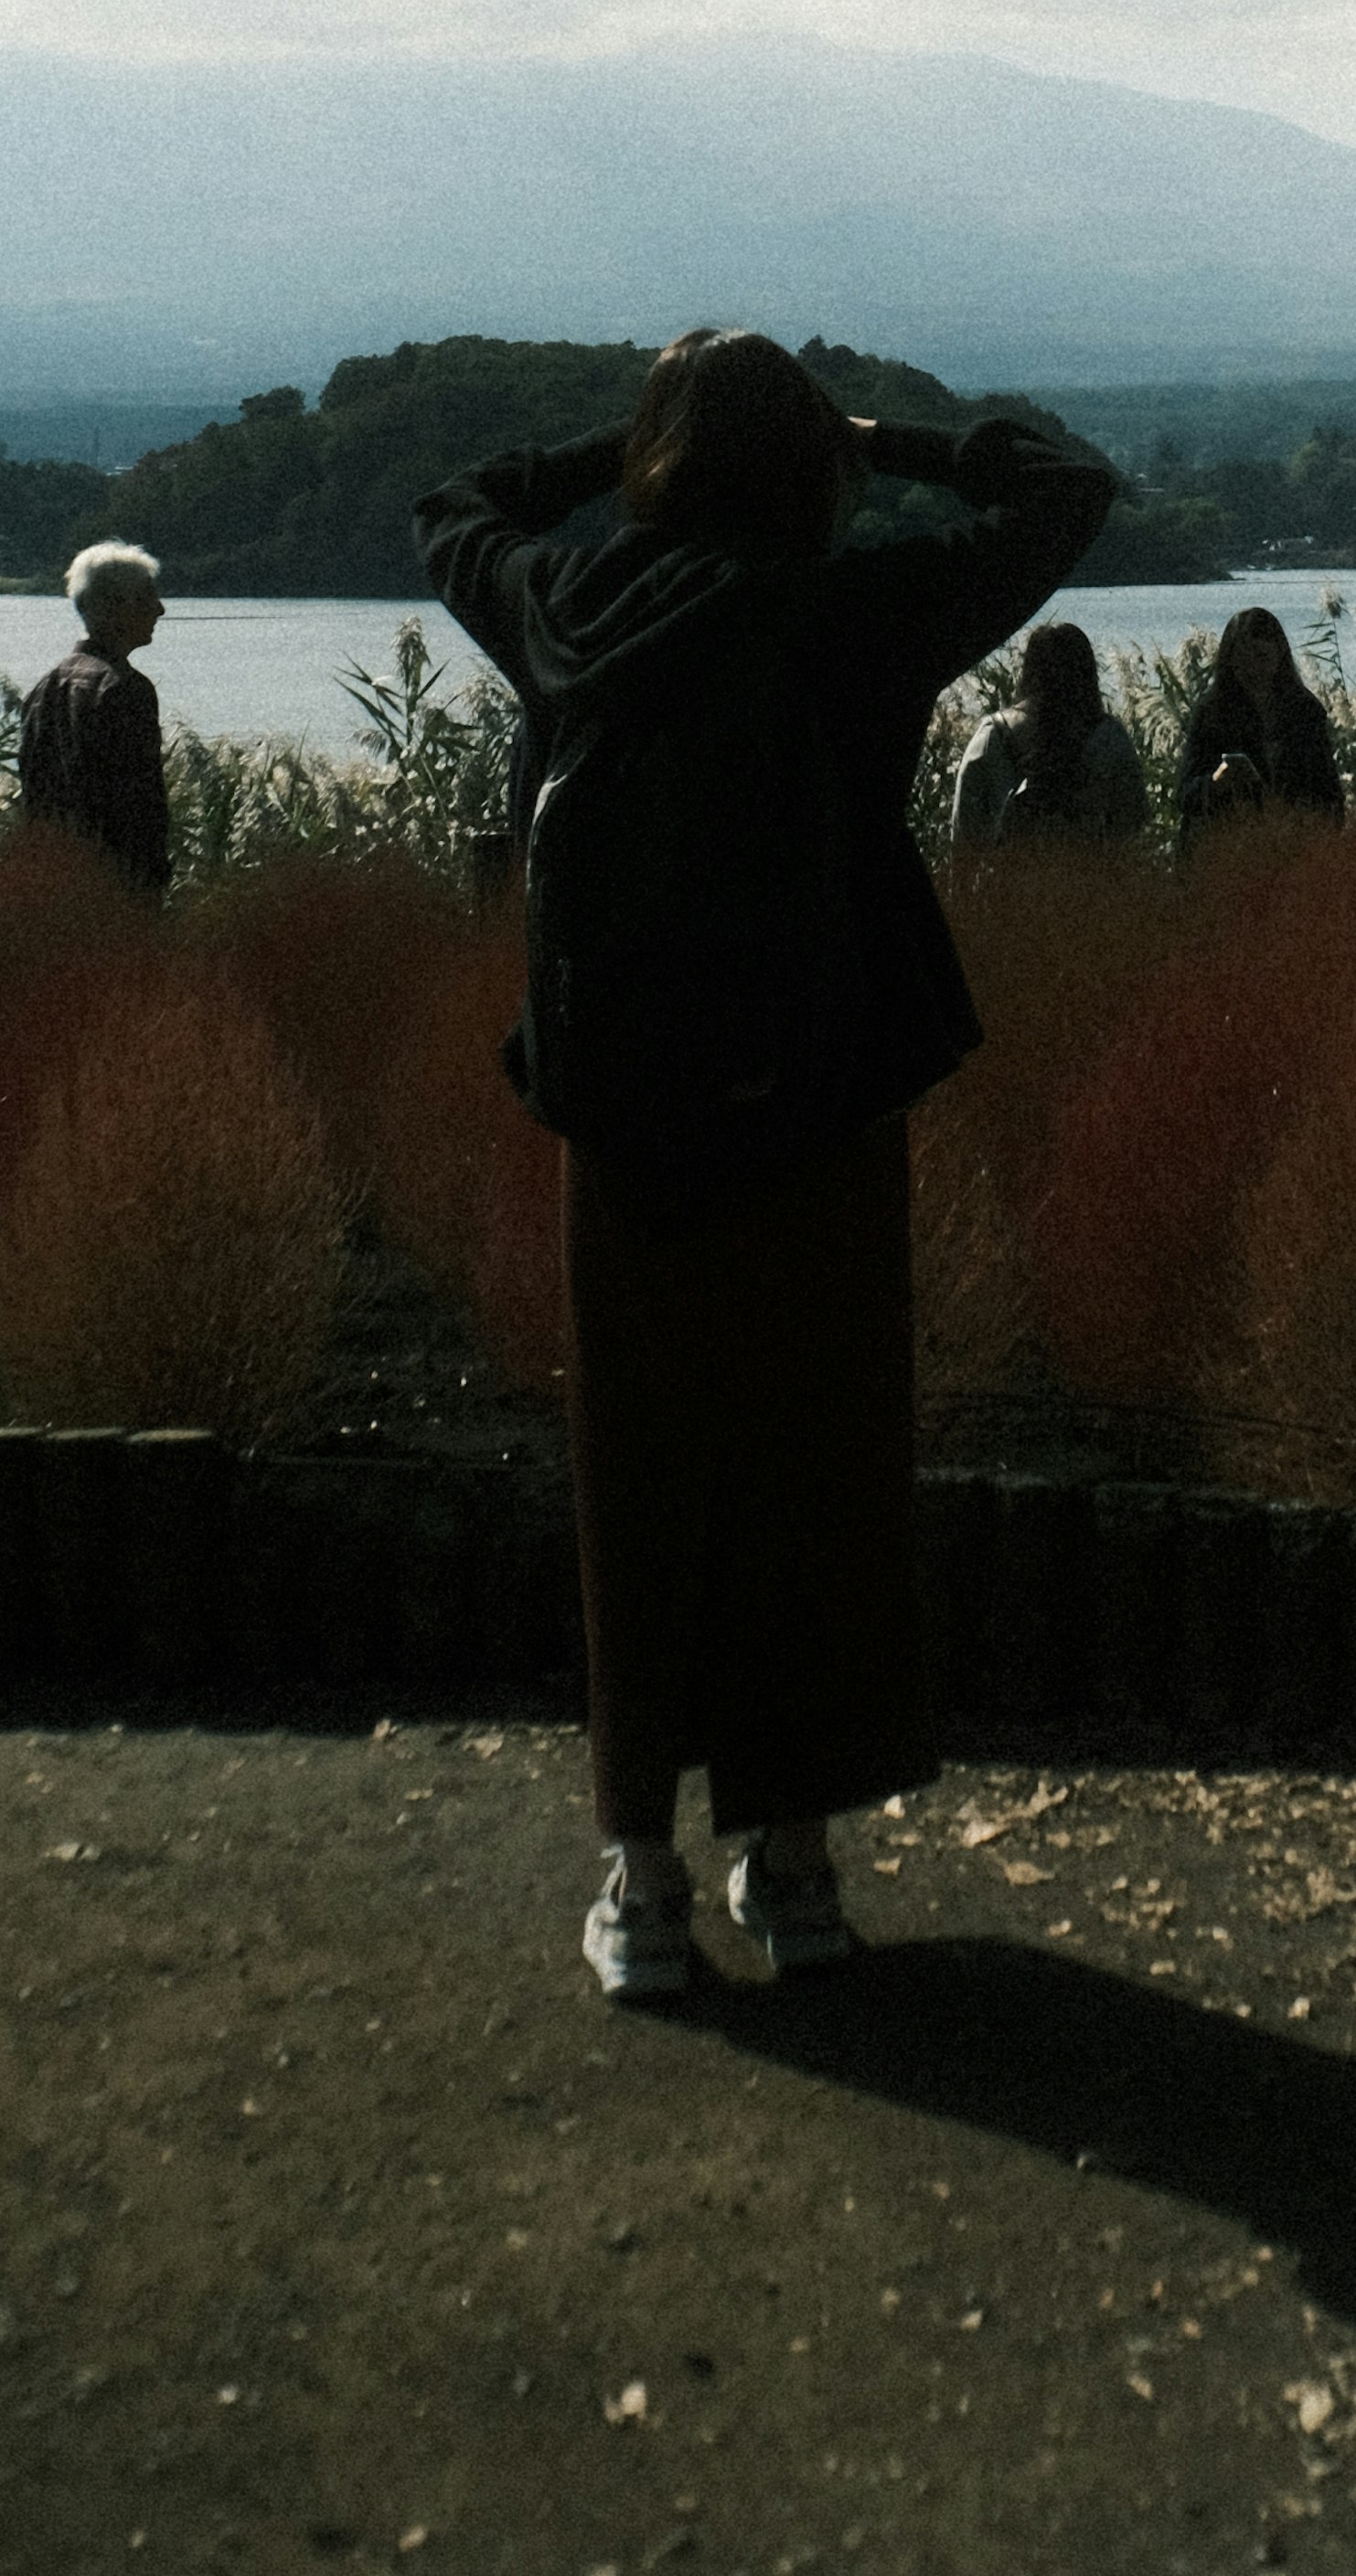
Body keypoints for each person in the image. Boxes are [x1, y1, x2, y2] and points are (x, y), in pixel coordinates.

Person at [415, 333, 1113, 2007]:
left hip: (626, 1116)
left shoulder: (567, 612)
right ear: (813, 468)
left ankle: (640, 1876)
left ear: (658, 462)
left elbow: (458, 503)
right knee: (817, 1465)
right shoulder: (859, 610)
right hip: (817, 1101)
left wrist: (627, 448)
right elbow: (1066, 488)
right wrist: (884, 437)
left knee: (640, 1472)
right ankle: (790, 1859)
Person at [17, 541, 174, 891]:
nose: (160, 610)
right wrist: (149, 884)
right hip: (114, 886)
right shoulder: (124, 689)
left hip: (52, 881)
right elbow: (138, 805)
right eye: (148, 599)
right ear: (113, 606)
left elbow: (34, 796)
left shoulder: (44, 688)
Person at [945, 621, 1154, 852]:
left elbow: (963, 837)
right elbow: (1134, 827)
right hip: (1087, 883)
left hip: (1011, 885)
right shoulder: (1109, 739)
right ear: (1087, 673)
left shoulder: (992, 738)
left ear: (1029, 671)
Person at [1176, 601, 1346, 831]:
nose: (1253, 668)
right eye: (1242, 660)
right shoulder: (1212, 712)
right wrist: (1216, 782)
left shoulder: (1304, 711)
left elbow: (1328, 796)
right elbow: (1185, 796)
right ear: (1229, 662)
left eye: (1261, 657)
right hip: (1226, 843)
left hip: (1290, 843)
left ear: (1279, 656)